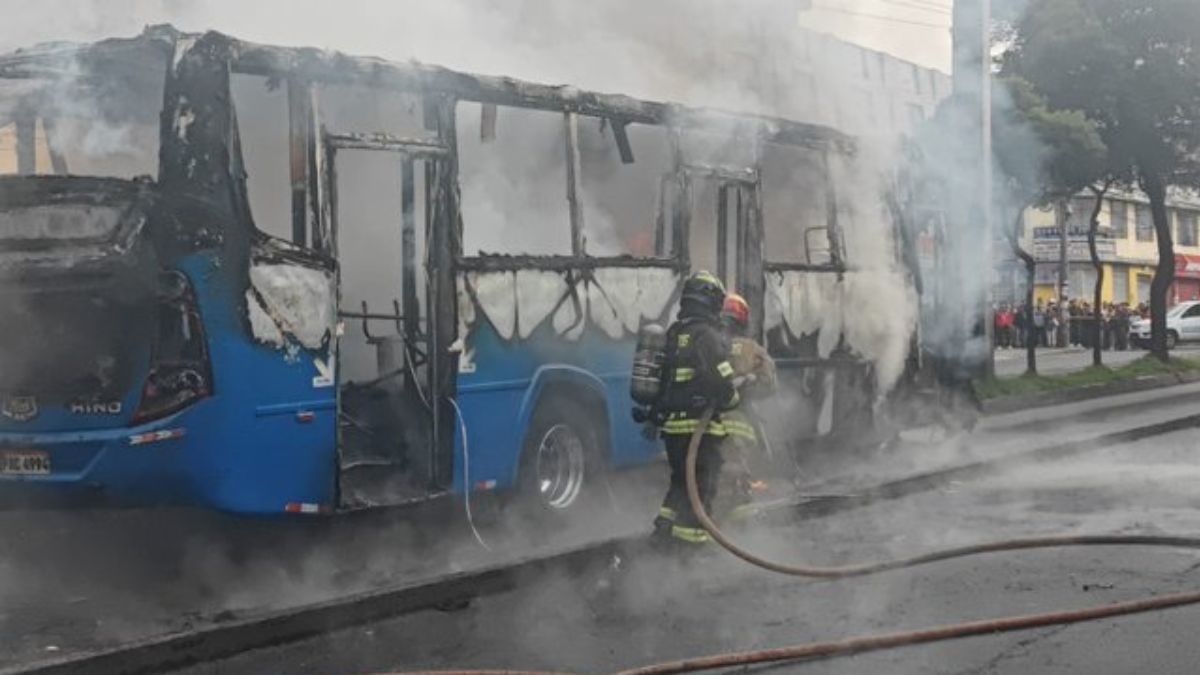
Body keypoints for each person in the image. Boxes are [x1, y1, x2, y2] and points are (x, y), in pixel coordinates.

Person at [652, 271, 741, 546]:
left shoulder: (674, 333)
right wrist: (734, 398)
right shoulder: (707, 336)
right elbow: (722, 383)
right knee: (701, 488)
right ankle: (690, 549)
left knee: (680, 483)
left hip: (672, 429)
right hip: (698, 430)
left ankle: (663, 534)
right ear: (710, 301)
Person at [712, 292, 776, 523]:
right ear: (743, 320)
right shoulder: (751, 349)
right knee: (735, 476)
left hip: (704, 421)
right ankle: (740, 529)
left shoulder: (708, 343)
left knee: (710, 473)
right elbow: (769, 385)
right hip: (738, 420)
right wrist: (749, 384)